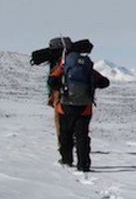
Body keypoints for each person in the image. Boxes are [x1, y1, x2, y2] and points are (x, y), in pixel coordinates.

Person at [44, 38, 109, 172]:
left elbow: (52, 81)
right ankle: (83, 164)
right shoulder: (87, 67)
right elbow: (104, 82)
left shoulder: (64, 65)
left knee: (65, 133)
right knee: (82, 136)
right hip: (85, 108)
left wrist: (61, 89)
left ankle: (67, 159)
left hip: (65, 106)